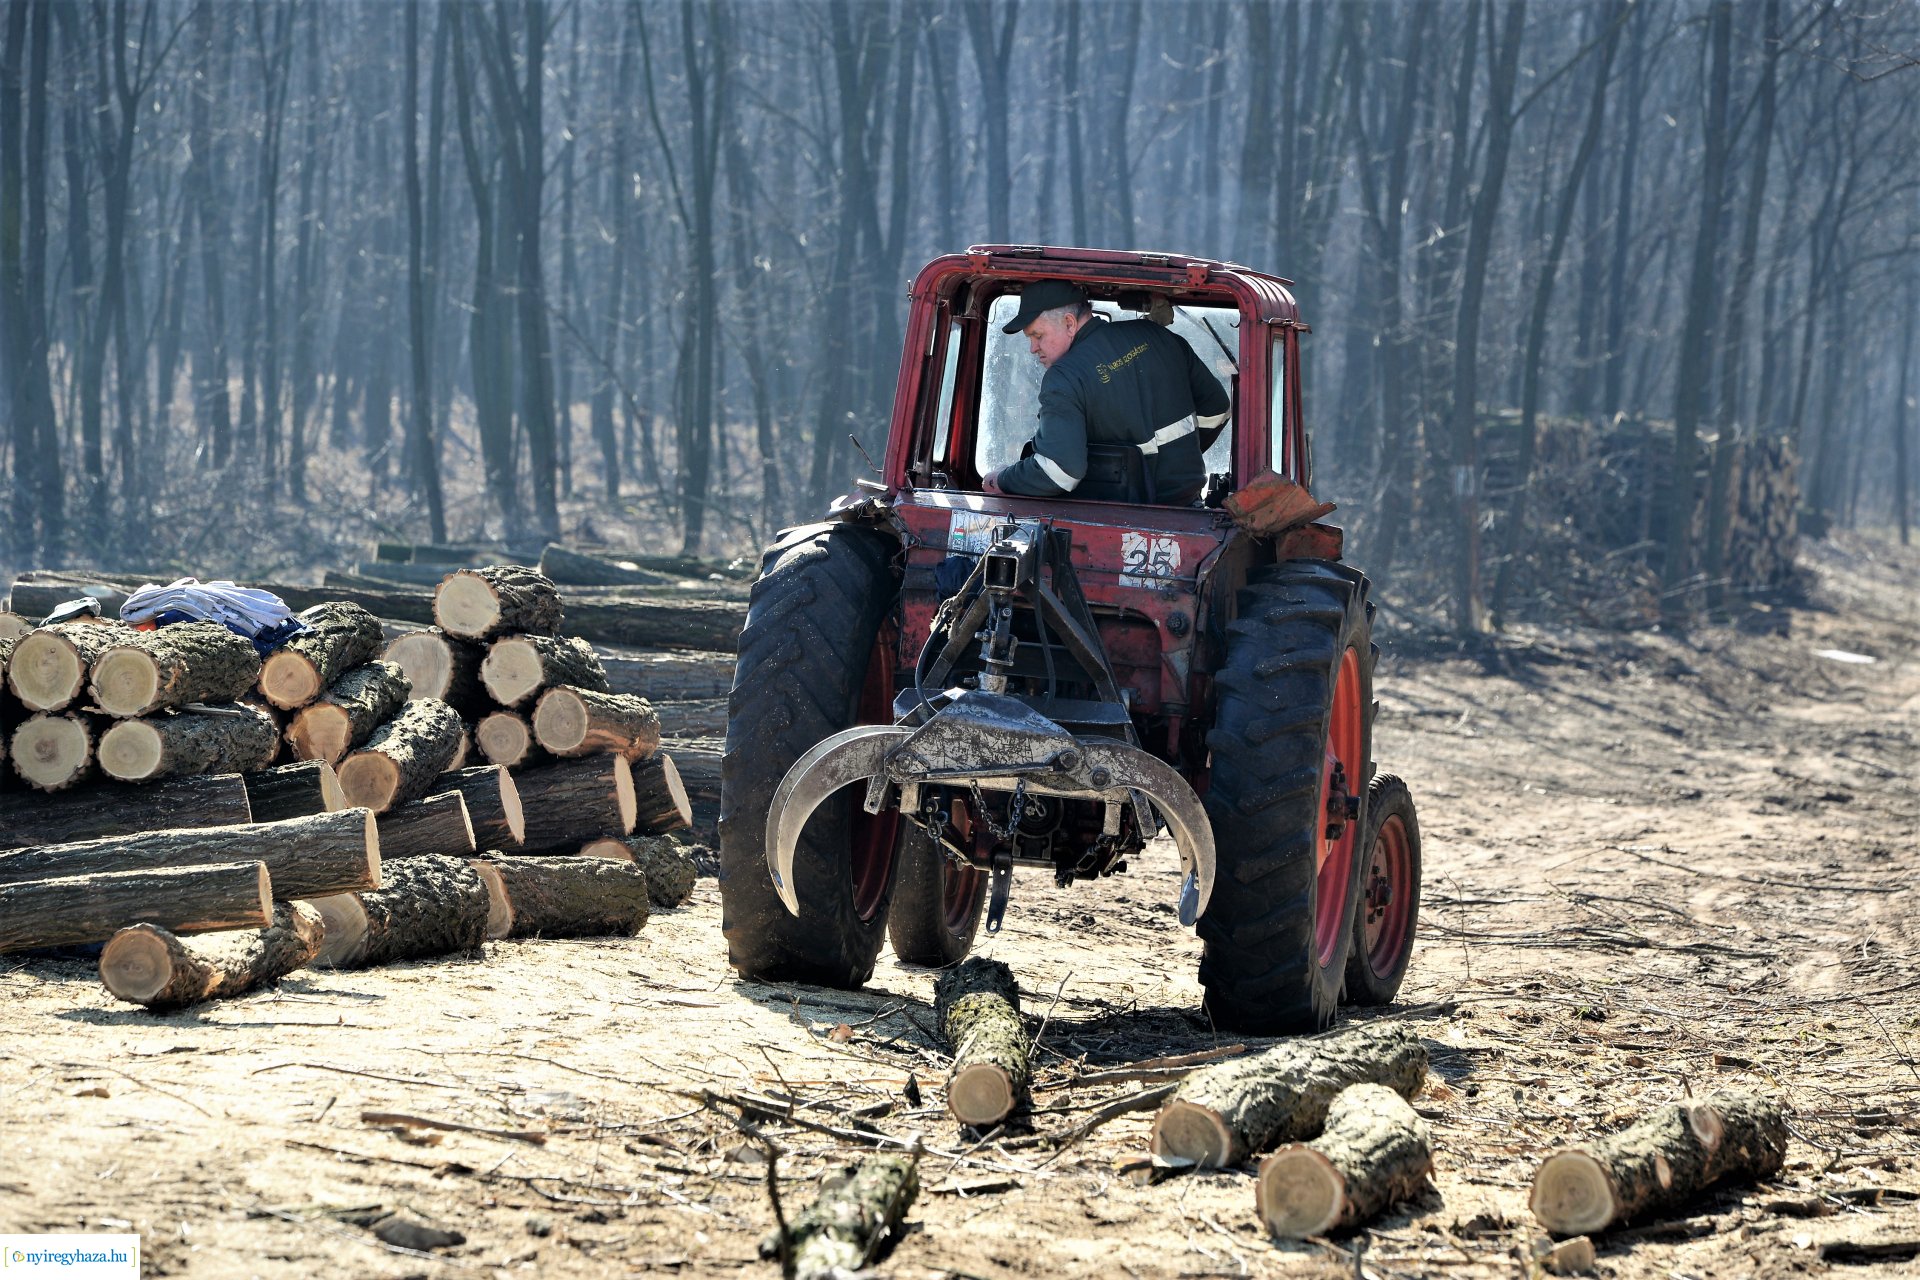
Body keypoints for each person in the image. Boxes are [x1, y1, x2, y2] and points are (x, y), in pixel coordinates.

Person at [982, 279, 1231, 504]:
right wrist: (1178, 457)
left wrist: (1002, 479)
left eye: (1037, 336)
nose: (1033, 348)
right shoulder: (1158, 335)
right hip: (1189, 514)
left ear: (1069, 323)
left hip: (1120, 524)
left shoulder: (1065, 376)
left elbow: (1058, 472)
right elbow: (1218, 409)